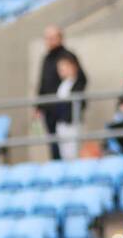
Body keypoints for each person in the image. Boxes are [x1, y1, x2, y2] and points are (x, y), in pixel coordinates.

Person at [35, 26, 86, 161]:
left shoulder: (68, 56)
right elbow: (42, 83)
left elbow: (81, 81)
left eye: (53, 38)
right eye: (47, 38)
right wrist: (38, 106)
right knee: (54, 145)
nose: (49, 41)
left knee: (69, 148)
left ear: (60, 38)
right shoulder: (46, 58)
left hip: (64, 112)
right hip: (49, 110)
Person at [52, 55, 83, 160]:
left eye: (64, 67)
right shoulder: (62, 84)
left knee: (73, 151)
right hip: (61, 122)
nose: (61, 70)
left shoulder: (78, 83)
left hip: (72, 123)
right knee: (64, 152)